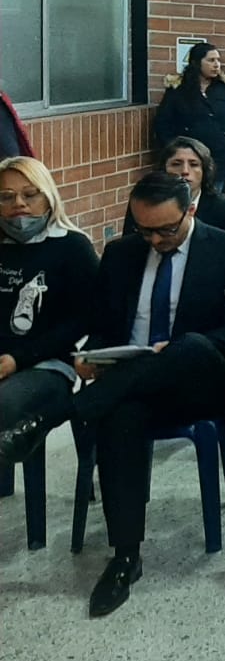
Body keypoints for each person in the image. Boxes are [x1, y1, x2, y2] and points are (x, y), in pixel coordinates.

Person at [0, 174, 225, 616]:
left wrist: (170, 350)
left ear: (190, 209)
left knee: (188, 345)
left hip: (201, 376)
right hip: (129, 379)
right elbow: (102, 325)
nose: (155, 239)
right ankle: (124, 557)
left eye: (166, 229)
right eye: (145, 230)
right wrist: (93, 356)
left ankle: (55, 414)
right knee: (121, 413)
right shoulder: (120, 253)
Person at [0, 159, 97, 473]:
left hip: (48, 364)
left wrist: (18, 358)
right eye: (6, 197)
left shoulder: (72, 246)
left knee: (6, 403)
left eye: (30, 194)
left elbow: (83, 319)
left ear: (49, 197)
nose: (19, 204)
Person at [155, 42, 225, 187]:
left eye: (218, 60)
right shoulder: (178, 90)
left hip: (220, 158)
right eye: (211, 60)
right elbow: (163, 123)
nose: (216, 65)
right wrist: (173, 149)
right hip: (188, 158)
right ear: (196, 63)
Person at [129, 137, 225, 234]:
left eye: (193, 164)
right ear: (163, 169)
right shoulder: (143, 203)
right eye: (176, 164)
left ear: (205, 170)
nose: (185, 171)